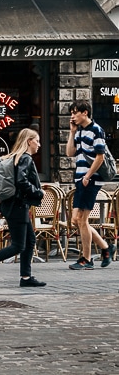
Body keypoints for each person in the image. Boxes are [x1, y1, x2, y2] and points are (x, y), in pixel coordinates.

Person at [0, 128, 47, 287]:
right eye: (37, 140)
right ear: (29, 141)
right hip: (18, 206)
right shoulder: (25, 158)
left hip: (13, 205)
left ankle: (26, 278)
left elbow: (13, 182)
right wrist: (38, 192)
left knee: (30, 240)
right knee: (18, 245)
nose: (39, 145)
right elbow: (21, 182)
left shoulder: (15, 157)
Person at [66, 99, 116, 270]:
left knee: (82, 220)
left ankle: (86, 259)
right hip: (80, 179)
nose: (72, 116)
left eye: (75, 113)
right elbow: (70, 153)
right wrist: (72, 132)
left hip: (91, 179)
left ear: (84, 112)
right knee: (76, 220)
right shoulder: (79, 131)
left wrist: (87, 176)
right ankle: (106, 247)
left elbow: (100, 157)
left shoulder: (96, 130)